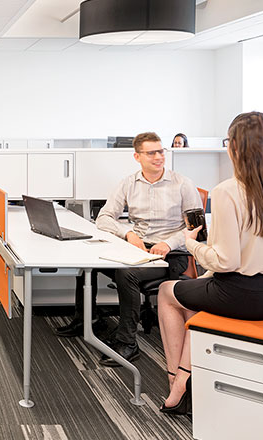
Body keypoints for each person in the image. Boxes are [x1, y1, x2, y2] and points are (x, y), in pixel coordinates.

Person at [156, 112, 263, 415]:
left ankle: (176, 384)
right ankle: (191, 379)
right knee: (198, 298)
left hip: (239, 295)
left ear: (235, 147)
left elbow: (225, 261)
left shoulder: (226, 191)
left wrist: (191, 243)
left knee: (168, 293)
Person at [58, 132, 202, 367]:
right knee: (89, 264)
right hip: (139, 248)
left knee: (127, 275)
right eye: (151, 152)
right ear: (137, 156)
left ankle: (128, 342)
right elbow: (104, 217)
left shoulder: (182, 184)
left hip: (171, 255)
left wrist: (169, 243)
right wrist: (129, 234)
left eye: (160, 151)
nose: (158, 157)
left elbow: (197, 228)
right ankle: (88, 320)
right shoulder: (128, 183)